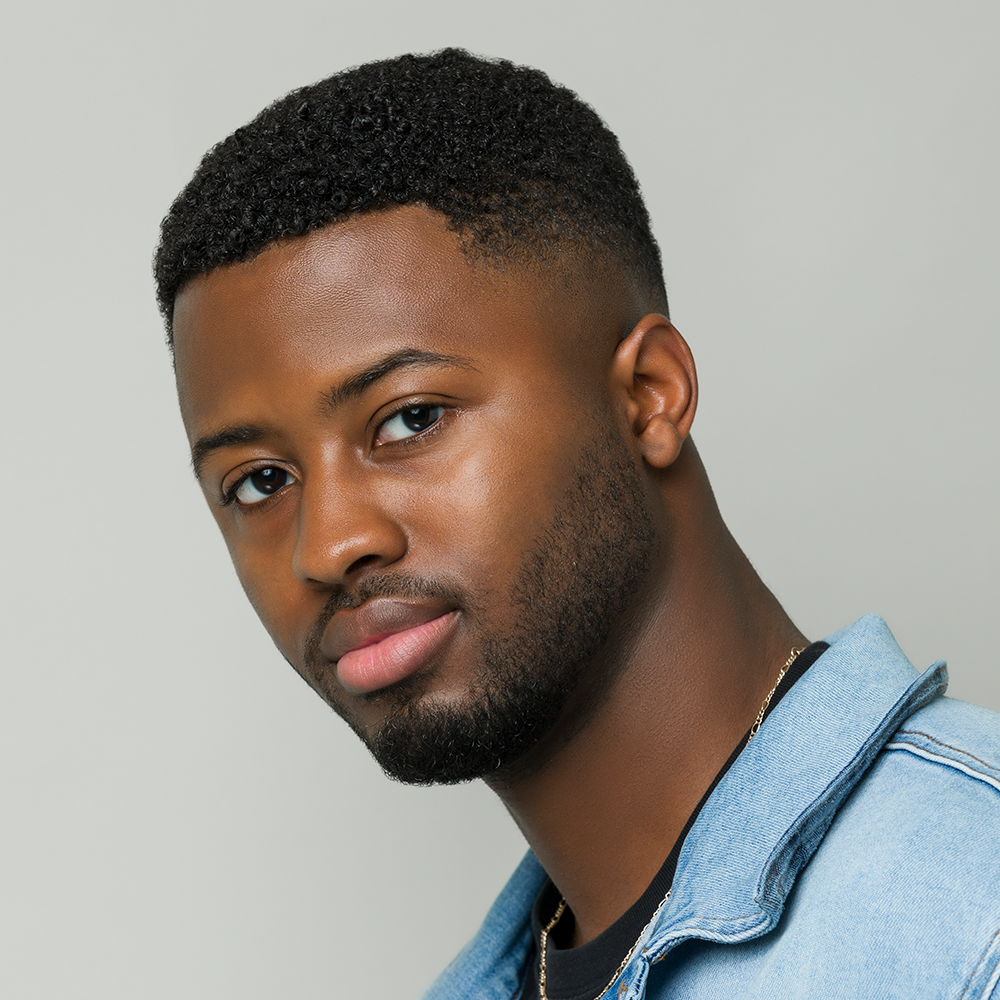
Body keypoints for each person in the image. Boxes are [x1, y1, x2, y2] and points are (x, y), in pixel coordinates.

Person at [154, 48, 1000, 1000]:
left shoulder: (973, 914)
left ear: (649, 396)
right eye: (261, 480)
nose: (329, 546)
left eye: (411, 419)